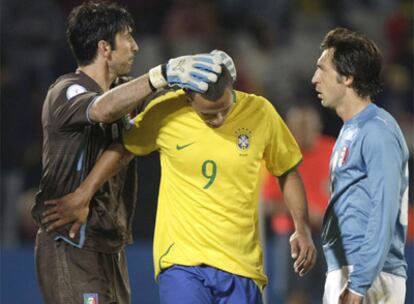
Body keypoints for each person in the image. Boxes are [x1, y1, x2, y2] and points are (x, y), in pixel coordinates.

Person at [42, 64, 317, 303]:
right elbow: (123, 149)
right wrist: (83, 193)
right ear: (188, 97)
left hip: (242, 265)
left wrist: (301, 228)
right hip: (182, 262)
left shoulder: (260, 112)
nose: (218, 119)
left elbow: (287, 170)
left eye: (224, 109)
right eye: (208, 115)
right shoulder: (166, 111)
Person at [31, 1, 229, 303]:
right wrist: (159, 75)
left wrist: (214, 71)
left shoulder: (126, 90)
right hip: (71, 241)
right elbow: (101, 109)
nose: (135, 47)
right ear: (104, 48)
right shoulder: (67, 90)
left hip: (109, 246)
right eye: (127, 37)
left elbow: (166, 101)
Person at [311, 27, 409, 304]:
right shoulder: (351, 130)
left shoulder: (377, 131)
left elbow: (384, 209)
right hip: (350, 271)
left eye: (322, 70)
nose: (314, 79)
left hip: (370, 277)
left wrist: (359, 283)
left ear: (348, 77)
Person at [262, 105, 335, 303]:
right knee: (295, 296)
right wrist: (303, 214)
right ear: (289, 128)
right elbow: (266, 203)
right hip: (290, 234)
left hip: (332, 234)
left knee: (335, 292)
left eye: (308, 126)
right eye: (298, 126)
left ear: (319, 126)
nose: (303, 131)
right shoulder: (280, 153)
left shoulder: (334, 150)